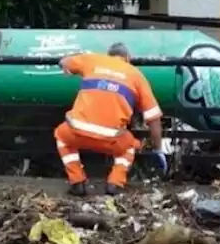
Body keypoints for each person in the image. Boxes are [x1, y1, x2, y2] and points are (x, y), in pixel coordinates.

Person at [55, 43, 167, 196]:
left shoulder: (92, 59)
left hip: (77, 130)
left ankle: (77, 181)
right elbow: (153, 118)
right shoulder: (136, 75)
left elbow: (64, 62)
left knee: (61, 136)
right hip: (112, 138)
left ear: (108, 55)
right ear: (127, 59)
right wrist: (158, 149)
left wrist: (71, 60)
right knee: (130, 146)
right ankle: (115, 183)